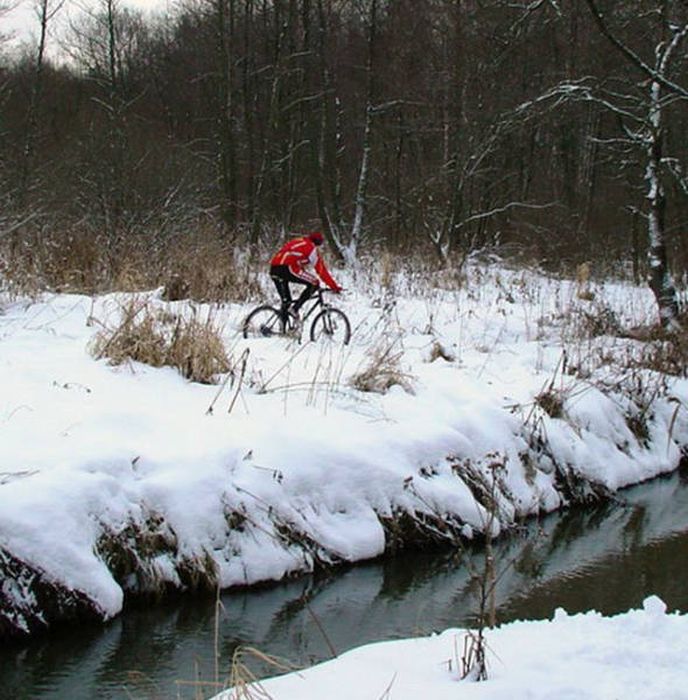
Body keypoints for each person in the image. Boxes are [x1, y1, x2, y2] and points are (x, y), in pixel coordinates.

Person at [269, 231, 342, 319]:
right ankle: (295, 309)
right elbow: (321, 270)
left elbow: (295, 258)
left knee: (287, 302)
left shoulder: (299, 241)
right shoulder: (311, 247)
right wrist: (334, 287)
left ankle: (283, 329)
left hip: (274, 268)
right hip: (286, 267)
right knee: (314, 283)